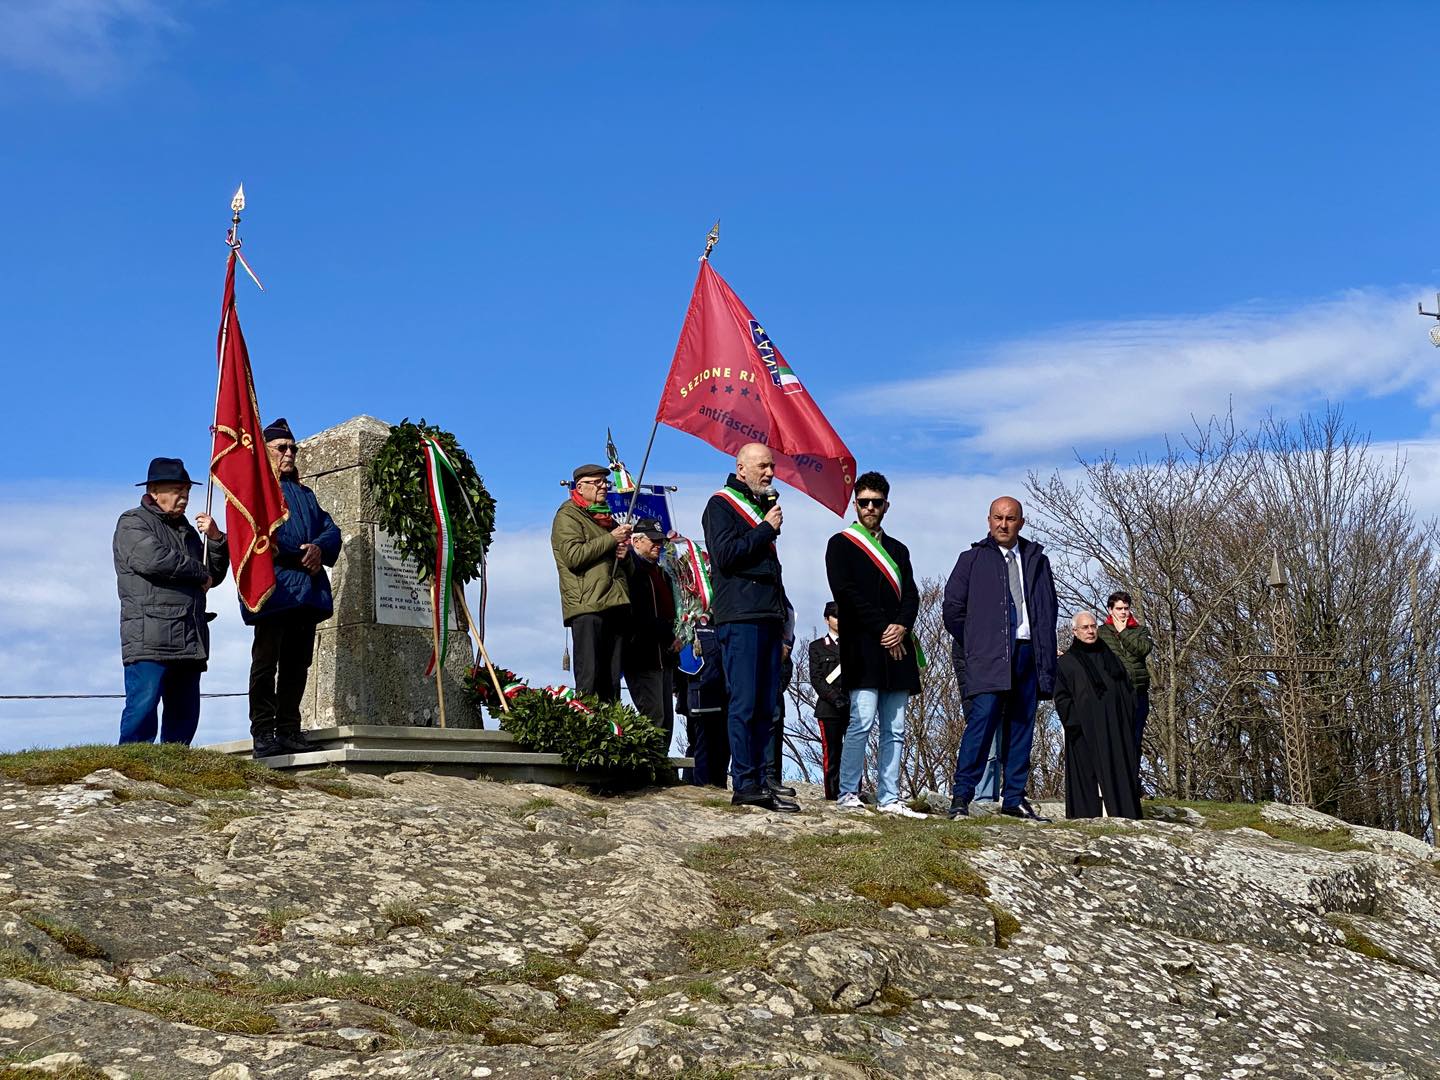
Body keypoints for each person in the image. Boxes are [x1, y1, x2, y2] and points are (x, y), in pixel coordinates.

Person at [944, 496, 1058, 821]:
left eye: (1010, 519)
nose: (1003, 524)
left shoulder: (1037, 560)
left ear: (1020, 522)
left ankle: (1014, 798)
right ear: (988, 520)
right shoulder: (972, 559)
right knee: (981, 724)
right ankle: (961, 798)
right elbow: (952, 609)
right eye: (998, 518)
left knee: (1022, 726)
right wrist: (978, 643)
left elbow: (1048, 609)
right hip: (988, 656)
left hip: (1028, 653)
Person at [702, 442, 797, 813]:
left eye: (772, 466)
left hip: (767, 616)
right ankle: (743, 783)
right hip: (740, 617)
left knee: (765, 706)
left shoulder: (761, 506)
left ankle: (762, 780)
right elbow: (725, 556)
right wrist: (764, 530)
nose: (770, 473)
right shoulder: (720, 505)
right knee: (743, 703)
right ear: (741, 469)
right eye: (762, 466)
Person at [826, 472, 926, 818]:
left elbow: (911, 594)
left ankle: (889, 796)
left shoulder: (899, 549)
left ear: (886, 506)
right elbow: (846, 594)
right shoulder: (840, 544)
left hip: (897, 648)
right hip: (864, 646)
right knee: (862, 721)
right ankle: (849, 791)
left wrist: (901, 626)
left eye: (876, 503)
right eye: (864, 502)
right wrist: (884, 627)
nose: (870, 508)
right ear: (855, 504)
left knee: (895, 728)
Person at [113, 457, 229, 746]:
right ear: (154, 490)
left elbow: (213, 575)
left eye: (187, 491)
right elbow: (153, 559)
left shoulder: (188, 531)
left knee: (185, 713)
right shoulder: (132, 522)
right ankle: (131, 769)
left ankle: (175, 773)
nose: (184, 497)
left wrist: (215, 539)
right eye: (177, 490)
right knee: (142, 709)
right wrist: (198, 571)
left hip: (189, 636)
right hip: (150, 637)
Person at [245, 419, 343, 760]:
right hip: (275, 591)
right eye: (282, 448)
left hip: (307, 594)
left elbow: (330, 531)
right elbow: (262, 536)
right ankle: (262, 731)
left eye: (292, 448)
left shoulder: (305, 494)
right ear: (266, 452)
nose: (289, 453)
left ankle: (288, 728)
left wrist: (319, 548)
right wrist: (303, 552)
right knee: (265, 664)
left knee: (296, 665)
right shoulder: (257, 491)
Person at [551, 464, 632, 701]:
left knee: (612, 681)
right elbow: (573, 557)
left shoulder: (606, 519)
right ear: (580, 487)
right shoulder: (568, 515)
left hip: (614, 604)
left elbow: (627, 569)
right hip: (588, 605)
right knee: (590, 678)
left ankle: (611, 730)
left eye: (605, 482)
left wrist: (625, 556)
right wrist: (610, 539)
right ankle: (587, 728)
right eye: (596, 482)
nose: (604, 486)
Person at [1055, 611, 1142, 819]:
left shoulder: (1110, 657)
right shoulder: (1066, 663)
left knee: (1119, 772)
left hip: (1115, 727)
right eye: (1085, 627)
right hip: (1084, 730)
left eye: (1093, 626)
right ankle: (1087, 818)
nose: (1090, 631)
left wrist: (1127, 716)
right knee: (1087, 776)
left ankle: (1125, 814)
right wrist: (1076, 724)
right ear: (1075, 632)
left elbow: (1127, 688)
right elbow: (1062, 697)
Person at [622, 517, 679, 749]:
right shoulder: (631, 571)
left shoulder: (663, 574)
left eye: (660, 541)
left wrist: (677, 634)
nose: (658, 545)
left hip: (665, 657)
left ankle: (661, 767)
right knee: (652, 717)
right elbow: (635, 617)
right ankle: (649, 770)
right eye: (652, 541)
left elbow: (673, 611)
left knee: (666, 719)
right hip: (642, 657)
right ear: (636, 541)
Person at [1097, 590, 1153, 761]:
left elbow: (1142, 649)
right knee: (1116, 742)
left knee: (1135, 741)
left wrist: (1123, 632)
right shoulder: (1100, 633)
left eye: (1126, 608)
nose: (1123, 612)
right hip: (1114, 695)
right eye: (1119, 609)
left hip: (1138, 693)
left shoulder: (1140, 631)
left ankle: (1133, 781)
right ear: (1110, 610)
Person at [807, 601, 849, 801]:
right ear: (827, 619)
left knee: (852, 752)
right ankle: (832, 794)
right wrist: (834, 697)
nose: (840, 621)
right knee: (831, 753)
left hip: (852, 706)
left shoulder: (854, 645)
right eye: (836, 617)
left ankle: (852, 791)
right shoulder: (817, 647)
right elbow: (816, 678)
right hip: (828, 707)